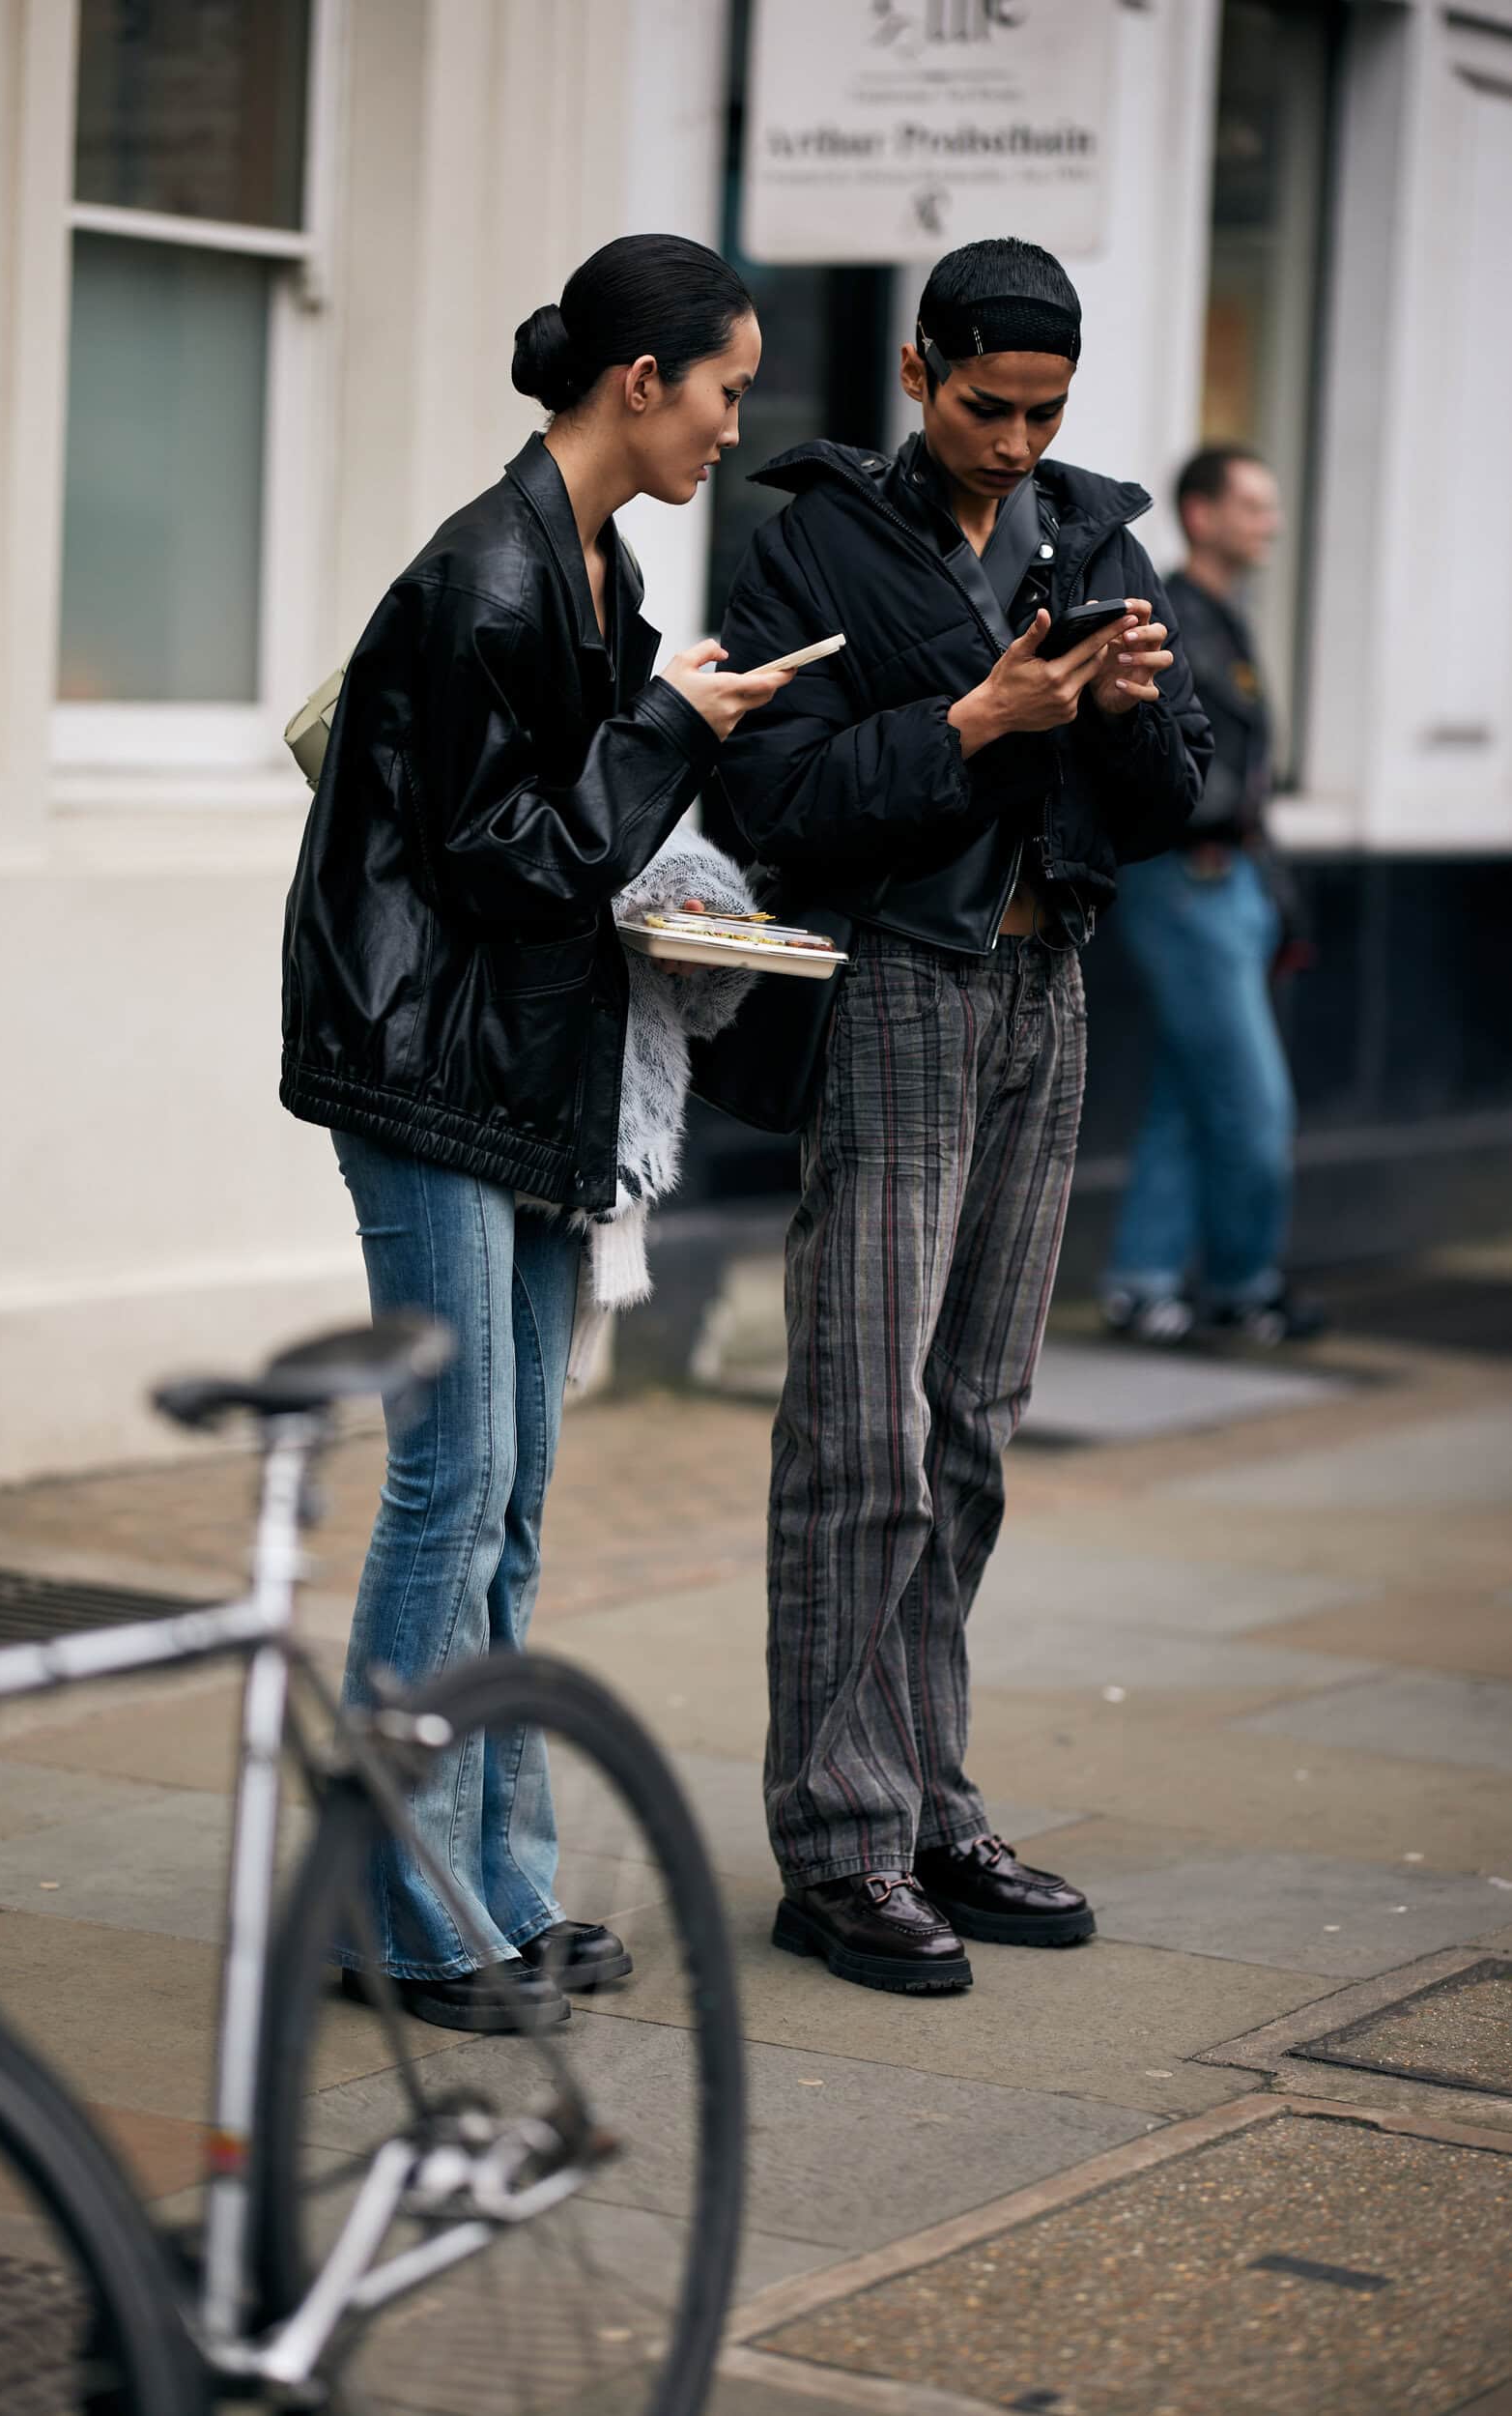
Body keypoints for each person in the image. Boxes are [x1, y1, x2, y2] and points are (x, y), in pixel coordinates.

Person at [280, 234, 788, 2032]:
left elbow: (562, 843)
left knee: (505, 1502)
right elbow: (510, 861)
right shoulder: (488, 573)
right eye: (724, 387)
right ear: (639, 382)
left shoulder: (589, 560)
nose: (734, 423)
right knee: (449, 1488)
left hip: (513, 1070)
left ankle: (492, 1892)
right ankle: (392, 1917)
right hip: (427, 1071)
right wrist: (667, 727)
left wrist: (667, 739)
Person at [713, 237, 1211, 1997]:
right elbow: (771, 798)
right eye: (986, 405)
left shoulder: (1093, 534)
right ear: (919, 369)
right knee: (861, 1433)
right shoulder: (811, 544)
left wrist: (1126, 721)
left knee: (974, 1427)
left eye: (1043, 413)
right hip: (896, 995)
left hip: (1043, 990)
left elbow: (1171, 798)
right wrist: (973, 720)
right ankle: (836, 1843)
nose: (1013, 442)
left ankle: (927, 1803)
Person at [1099, 445, 1324, 1346]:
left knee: (1190, 1092)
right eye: (1253, 506)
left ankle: (1142, 1283)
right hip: (1188, 879)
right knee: (1253, 1103)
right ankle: (1240, 1284)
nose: (1271, 522)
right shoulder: (1171, 614)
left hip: (1234, 882)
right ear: (1201, 515)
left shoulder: (1222, 614)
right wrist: (1218, 822)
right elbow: (1173, 757)